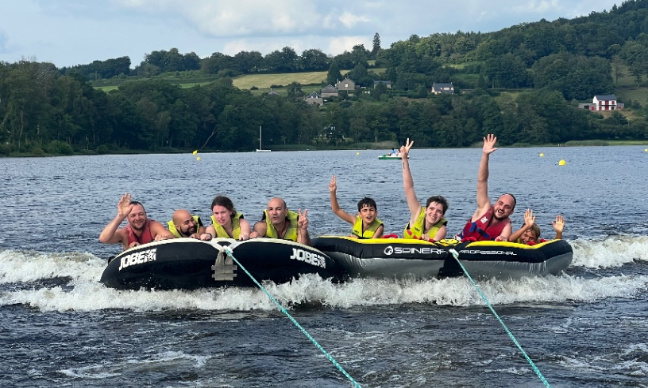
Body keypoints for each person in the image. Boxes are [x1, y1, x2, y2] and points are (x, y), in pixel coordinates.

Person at [457, 134, 515, 241]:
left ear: (511, 212)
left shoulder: (506, 226)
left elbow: (504, 237)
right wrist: (485, 155)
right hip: (461, 245)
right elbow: (482, 181)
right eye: (500, 203)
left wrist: (501, 238)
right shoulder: (484, 207)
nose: (501, 208)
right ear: (495, 203)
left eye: (507, 207)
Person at [400, 138, 449, 242]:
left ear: (442, 215)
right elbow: (408, 187)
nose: (434, 213)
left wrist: (429, 242)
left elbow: (435, 246)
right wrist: (404, 158)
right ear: (426, 210)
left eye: (439, 211)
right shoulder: (417, 213)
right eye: (431, 209)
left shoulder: (441, 229)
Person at [99, 193, 174, 250]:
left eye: (141, 214)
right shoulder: (124, 233)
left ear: (145, 215)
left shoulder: (153, 226)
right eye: (133, 215)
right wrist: (120, 216)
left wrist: (163, 238)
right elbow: (104, 239)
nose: (137, 218)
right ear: (127, 218)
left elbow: (172, 238)